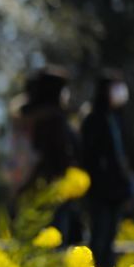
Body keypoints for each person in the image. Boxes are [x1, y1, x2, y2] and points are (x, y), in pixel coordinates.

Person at [82, 70, 134, 267]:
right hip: (100, 189)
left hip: (117, 188)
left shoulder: (118, 118)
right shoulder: (93, 118)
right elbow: (90, 156)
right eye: (115, 88)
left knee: (110, 236)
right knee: (99, 233)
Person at [19, 66, 83, 243]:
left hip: (33, 185)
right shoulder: (53, 119)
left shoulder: (29, 116)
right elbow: (57, 155)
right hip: (56, 186)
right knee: (56, 237)